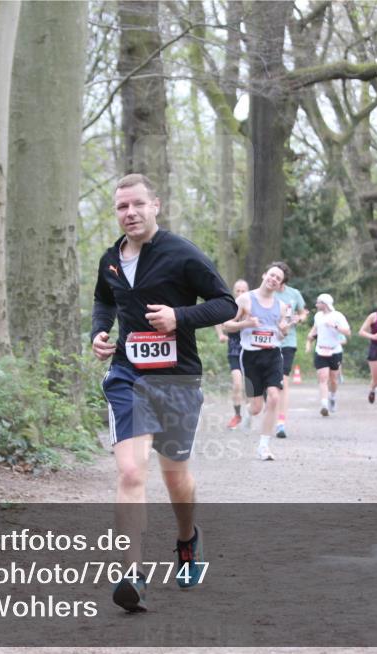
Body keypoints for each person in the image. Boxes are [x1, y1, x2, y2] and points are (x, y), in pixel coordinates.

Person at [91, 174, 237, 612]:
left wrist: (180, 317)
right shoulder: (110, 259)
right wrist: (99, 333)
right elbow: (104, 301)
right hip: (127, 378)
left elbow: (226, 304)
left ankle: (187, 539)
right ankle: (131, 574)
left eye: (137, 204)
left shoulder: (181, 253)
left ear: (155, 205)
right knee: (132, 473)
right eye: (122, 207)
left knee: (175, 476)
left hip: (176, 380)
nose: (130, 213)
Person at [221, 264, 290, 461]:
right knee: (257, 407)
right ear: (264, 275)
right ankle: (248, 413)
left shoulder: (281, 307)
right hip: (250, 357)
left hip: (273, 355)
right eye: (272, 275)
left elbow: (282, 334)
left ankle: (264, 446)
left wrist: (284, 329)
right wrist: (246, 324)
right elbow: (227, 325)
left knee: (275, 397)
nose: (274, 279)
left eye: (278, 278)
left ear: (280, 285)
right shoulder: (245, 299)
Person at [270, 261, 308, 438]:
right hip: (268, 341)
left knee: (283, 381)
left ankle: (281, 422)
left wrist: (298, 319)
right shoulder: (266, 294)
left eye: (279, 277)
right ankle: (268, 406)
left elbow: (304, 312)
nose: (275, 280)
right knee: (270, 384)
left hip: (288, 342)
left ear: (284, 279)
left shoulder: (294, 294)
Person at [305, 294, 351, 416]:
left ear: (324, 304)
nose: (316, 305)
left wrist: (335, 326)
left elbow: (348, 331)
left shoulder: (337, 316)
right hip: (320, 350)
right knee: (322, 377)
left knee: (333, 380)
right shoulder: (318, 316)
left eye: (318, 302)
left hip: (335, 351)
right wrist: (310, 336)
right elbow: (315, 329)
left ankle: (333, 397)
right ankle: (324, 404)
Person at [215, 279, 249, 429]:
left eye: (243, 290)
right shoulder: (230, 306)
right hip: (235, 351)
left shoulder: (253, 306)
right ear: (234, 292)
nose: (241, 293)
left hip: (251, 352)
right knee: (237, 384)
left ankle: (253, 409)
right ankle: (237, 415)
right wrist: (220, 335)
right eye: (238, 290)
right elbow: (217, 319)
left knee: (251, 386)